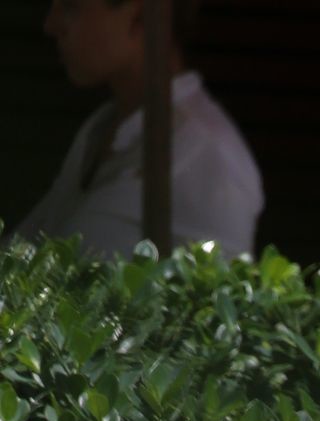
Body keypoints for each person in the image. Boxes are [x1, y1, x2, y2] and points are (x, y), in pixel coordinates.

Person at [15, 0, 263, 258]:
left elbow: (219, 279)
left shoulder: (209, 155)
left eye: (71, 6)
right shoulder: (100, 128)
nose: (51, 25)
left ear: (140, 14)